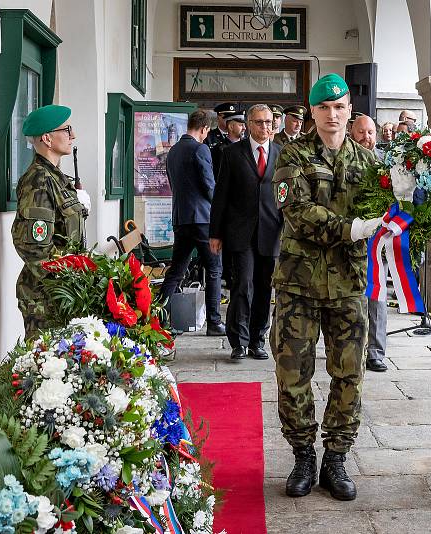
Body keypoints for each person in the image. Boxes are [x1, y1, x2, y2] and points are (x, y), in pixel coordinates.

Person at [271, 73, 381, 501]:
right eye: (324, 108)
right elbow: (297, 211)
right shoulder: (292, 156)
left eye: (340, 107)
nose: (332, 115)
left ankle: (336, 456)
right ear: (312, 112)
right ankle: (302, 454)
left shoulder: (370, 164)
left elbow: (387, 216)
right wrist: (353, 228)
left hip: (350, 284)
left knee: (349, 375)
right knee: (293, 374)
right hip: (299, 283)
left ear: (349, 110)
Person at [209, 105, 282, 360]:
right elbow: (221, 195)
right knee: (242, 285)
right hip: (240, 232)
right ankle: (238, 341)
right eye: (260, 122)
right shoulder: (232, 153)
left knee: (264, 288)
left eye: (269, 122)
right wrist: (215, 233)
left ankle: (257, 340)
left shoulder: (280, 154)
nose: (265, 127)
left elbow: (284, 196)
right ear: (248, 124)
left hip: (271, 233)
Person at [12, 104, 87, 339]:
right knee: (46, 367)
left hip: (64, 291)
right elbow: (35, 248)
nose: (72, 135)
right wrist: (66, 280)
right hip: (47, 296)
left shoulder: (56, 178)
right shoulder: (39, 181)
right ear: (47, 138)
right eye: (66, 130)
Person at [159, 109, 225, 336]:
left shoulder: (174, 151)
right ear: (205, 129)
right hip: (202, 219)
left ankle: (160, 317)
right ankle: (215, 322)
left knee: (176, 271)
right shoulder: (201, 148)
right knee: (215, 268)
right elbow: (209, 185)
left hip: (181, 218)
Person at [349, 115, 388, 372]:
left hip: (379, 241)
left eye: (371, 132)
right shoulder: (345, 160)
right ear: (352, 134)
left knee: (377, 296)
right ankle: (349, 347)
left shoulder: (388, 163)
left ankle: (375, 351)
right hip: (349, 238)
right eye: (362, 132)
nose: (367, 137)